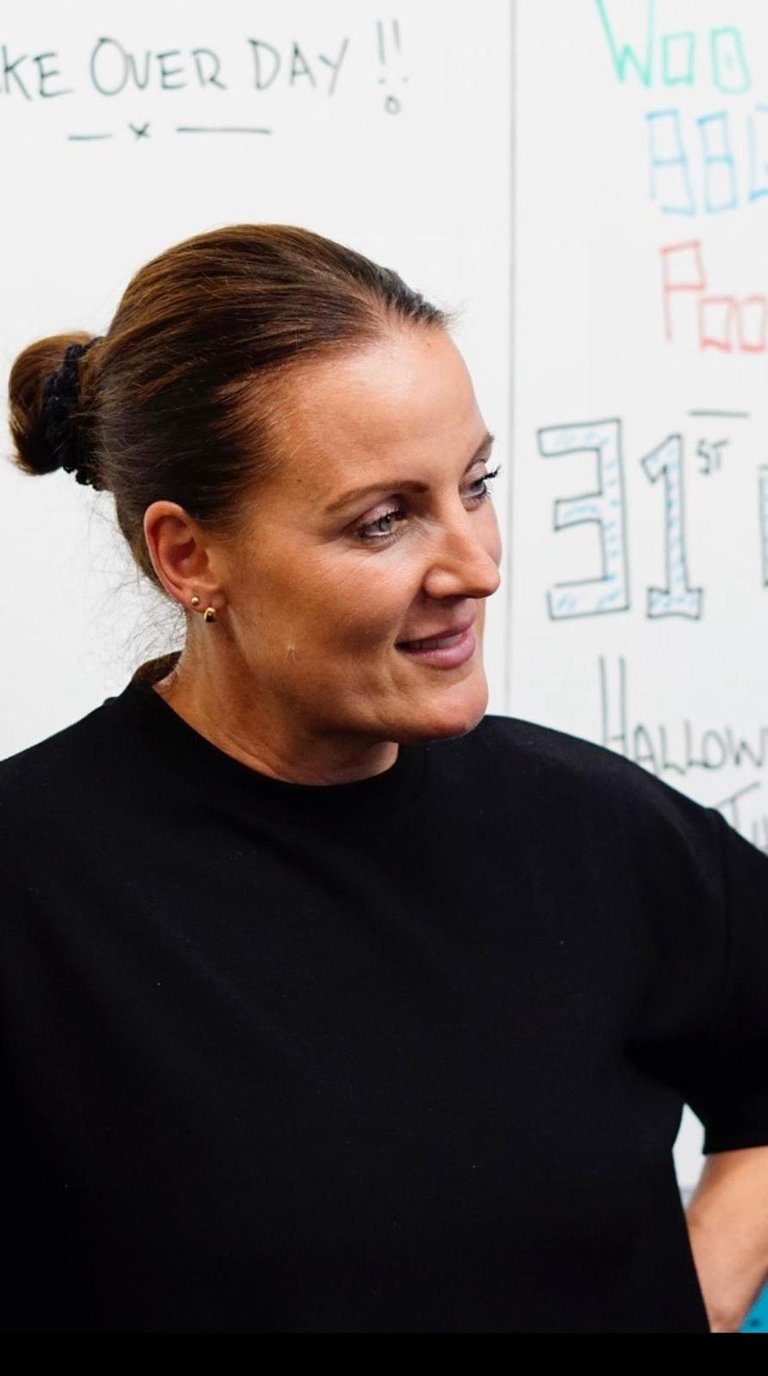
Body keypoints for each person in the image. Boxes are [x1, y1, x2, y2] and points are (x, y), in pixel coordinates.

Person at [2, 224, 767, 1335]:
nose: (476, 564)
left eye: (476, 484)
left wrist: (681, 1301)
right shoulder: (35, 888)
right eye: (384, 519)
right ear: (189, 556)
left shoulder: (593, 828)